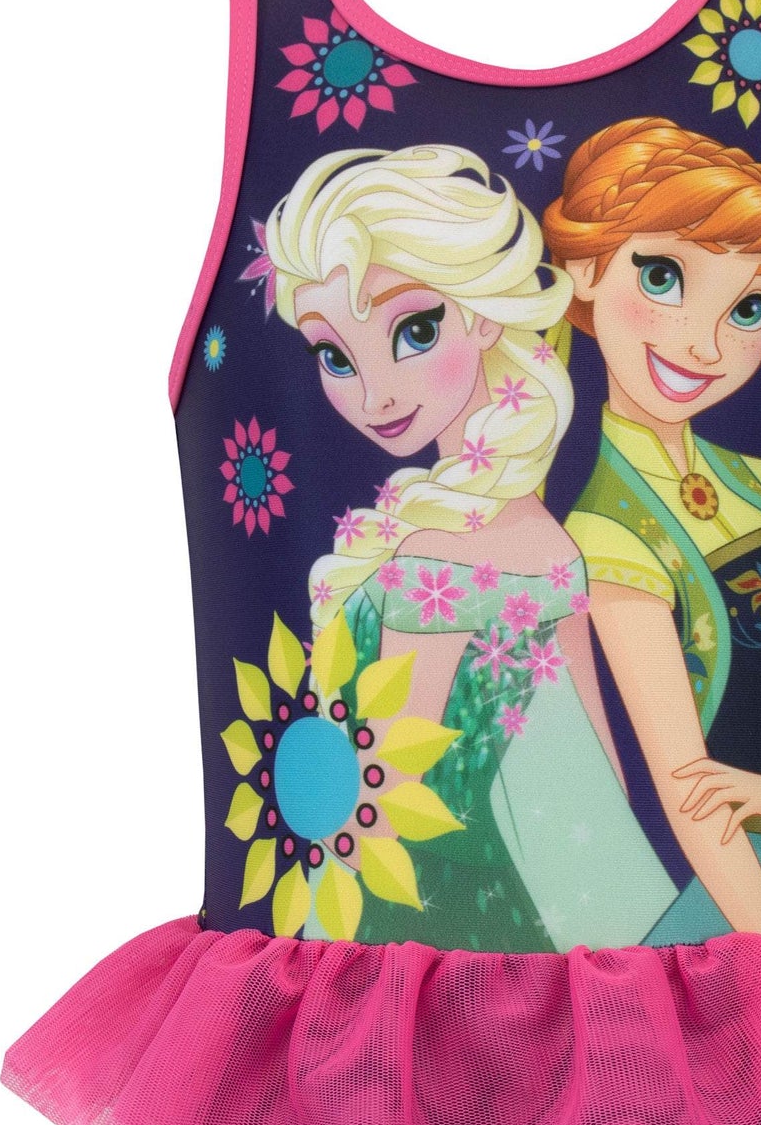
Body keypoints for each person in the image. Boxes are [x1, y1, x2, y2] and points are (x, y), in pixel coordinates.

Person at [266, 143, 677, 948]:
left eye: (414, 330)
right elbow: (603, 776)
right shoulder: (547, 543)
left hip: (410, 920)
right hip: (539, 916)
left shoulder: (432, 558)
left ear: (484, 313)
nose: (374, 392)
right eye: (335, 356)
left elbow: (384, 793)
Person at [547, 117, 761, 938]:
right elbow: (688, 792)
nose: (703, 344)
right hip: (746, 903)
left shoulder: (757, 483)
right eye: (662, 275)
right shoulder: (609, 534)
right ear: (585, 270)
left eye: (748, 307)